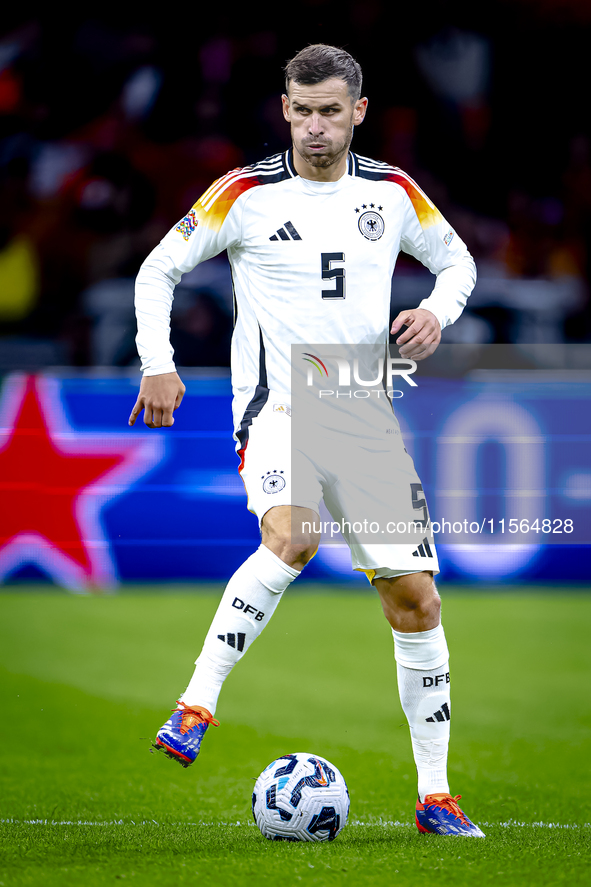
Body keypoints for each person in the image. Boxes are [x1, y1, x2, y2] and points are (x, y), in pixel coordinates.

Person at [129, 44, 483, 838]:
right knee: (292, 534)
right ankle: (195, 705)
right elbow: (159, 269)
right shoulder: (244, 194)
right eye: (301, 110)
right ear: (283, 110)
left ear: (358, 111)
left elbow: (455, 262)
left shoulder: (391, 192)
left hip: (359, 410)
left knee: (415, 600)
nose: (314, 127)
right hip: (278, 406)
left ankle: (435, 796)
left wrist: (436, 312)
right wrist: (160, 363)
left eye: (330, 111)